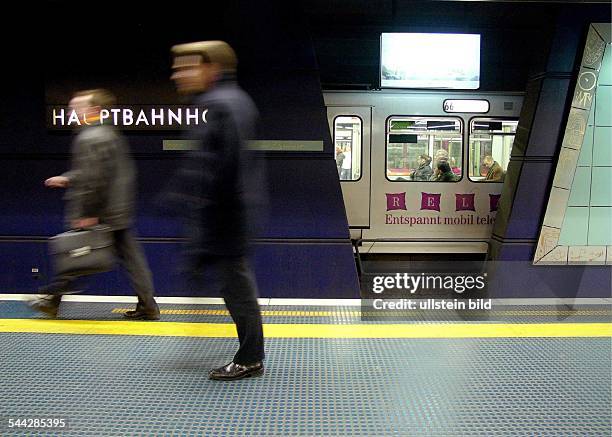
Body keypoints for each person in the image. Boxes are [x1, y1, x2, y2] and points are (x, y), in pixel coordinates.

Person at [169, 40, 267, 381]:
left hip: (226, 216)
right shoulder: (235, 100)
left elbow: (219, 163)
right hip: (231, 213)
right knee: (234, 287)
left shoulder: (219, 103)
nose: (177, 74)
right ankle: (250, 354)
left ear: (211, 68)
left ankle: (251, 357)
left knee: (237, 289)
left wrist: (184, 198)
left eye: (185, 67)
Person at [30, 89, 160, 320]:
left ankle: (51, 297)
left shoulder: (90, 137)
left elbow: (94, 179)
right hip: (117, 210)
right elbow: (101, 172)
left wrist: (89, 212)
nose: (72, 112)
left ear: (93, 110)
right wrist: (69, 178)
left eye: (76, 108)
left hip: (99, 211)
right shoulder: (110, 133)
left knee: (76, 254)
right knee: (132, 260)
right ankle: (148, 306)